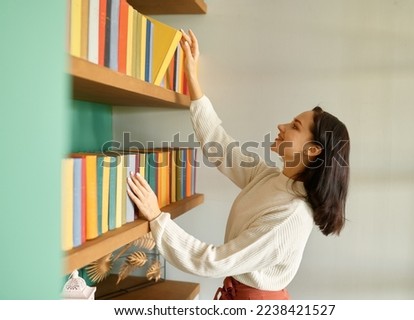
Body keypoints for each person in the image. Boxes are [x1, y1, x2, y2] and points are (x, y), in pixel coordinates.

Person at [127, 30, 350, 300]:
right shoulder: (271, 178)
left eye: (294, 126)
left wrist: (156, 218)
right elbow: (220, 146)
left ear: (313, 150)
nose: (281, 126)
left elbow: (212, 261)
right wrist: (193, 81)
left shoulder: (290, 216)